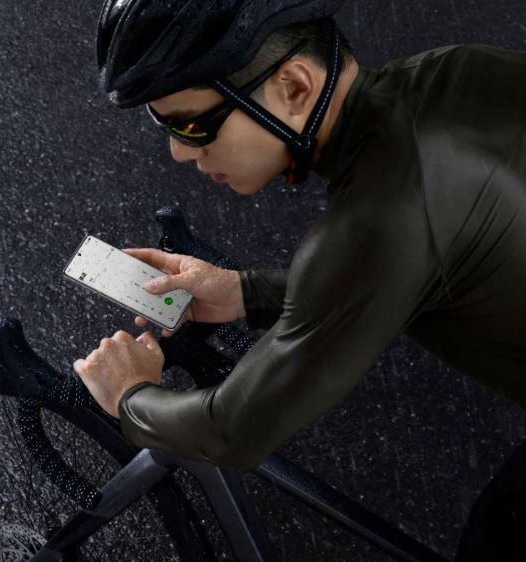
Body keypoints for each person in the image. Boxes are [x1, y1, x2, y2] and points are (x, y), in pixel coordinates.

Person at [73, 0, 526, 557]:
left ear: (293, 87)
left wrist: (129, 395)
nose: (179, 152)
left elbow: (230, 430)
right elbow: (410, 264)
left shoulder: (378, 220)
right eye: (163, 125)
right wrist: (245, 292)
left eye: (191, 125)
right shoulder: (456, 70)